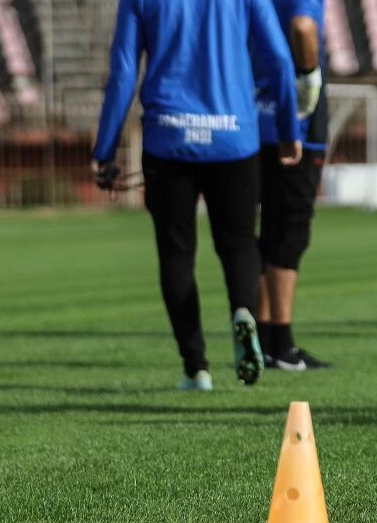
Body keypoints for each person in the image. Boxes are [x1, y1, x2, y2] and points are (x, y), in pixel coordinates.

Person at [93, 0, 303, 391]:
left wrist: (105, 149)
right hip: (234, 138)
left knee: (176, 254)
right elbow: (278, 57)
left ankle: (195, 368)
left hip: (168, 138)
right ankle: (243, 311)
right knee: (240, 243)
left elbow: (123, 71)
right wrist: (289, 129)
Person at [254, 0, 331, 371]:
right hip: (294, 122)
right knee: (290, 231)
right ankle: (281, 345)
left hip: (250, 116)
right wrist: (309, 78)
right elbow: (303, 26)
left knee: (261, 232)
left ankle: (262, 341)